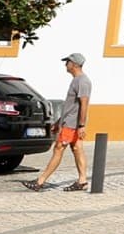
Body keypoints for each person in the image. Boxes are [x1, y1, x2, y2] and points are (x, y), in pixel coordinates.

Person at [29, 53, 92, 191]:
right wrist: (58, 122)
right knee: (77, 149)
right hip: (69, 121)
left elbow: (84, 104)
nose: (65, 64)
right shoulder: (77, 80)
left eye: (67, 62)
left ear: (74, 64)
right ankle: (82, 181)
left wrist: (81, 125)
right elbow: (70, 105)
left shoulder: (82, 81)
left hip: (72, 123)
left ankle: (40, 181)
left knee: (58, 148)